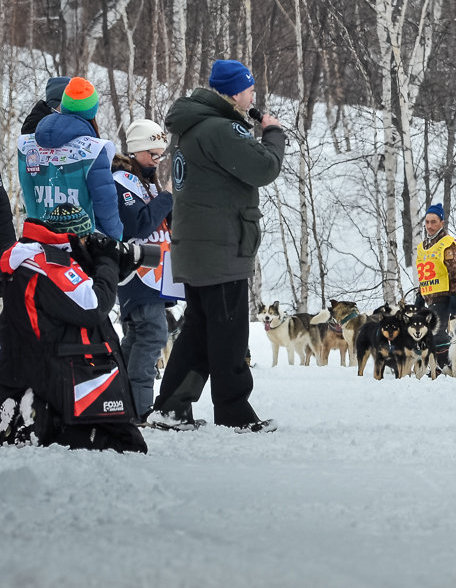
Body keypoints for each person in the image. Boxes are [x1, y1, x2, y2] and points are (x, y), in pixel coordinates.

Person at [150, 59, 283, 433]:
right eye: (249, 89)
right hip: (220, 247)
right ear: (234, 92)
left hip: (195, 248)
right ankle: (234, 413)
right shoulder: (220, 129)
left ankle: (171, 408)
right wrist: (272, 133)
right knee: (228, 335)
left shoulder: (192, 125)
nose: (253, 95)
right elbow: (263, 168)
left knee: (198, 333)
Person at [0, 206, 147, 453]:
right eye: (86, 239)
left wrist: (105, 267)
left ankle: (28, 417)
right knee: (128, 443)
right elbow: (94, 306)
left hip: (26, 367)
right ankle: (35, 424)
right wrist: (107, 262)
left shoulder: (27, 254)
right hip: (57, 371)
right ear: (75, 238)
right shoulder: (50, 263)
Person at [110, 119, 174, 421]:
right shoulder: (123, 180)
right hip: (138, 272)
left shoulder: (146, 180)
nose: (157, 161)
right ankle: (140, 409)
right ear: (136, 151)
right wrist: (167, 198)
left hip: (156, 273)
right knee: (152, 336)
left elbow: (161, 222)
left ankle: (117, 400)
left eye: (161, 154)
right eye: (153, 154)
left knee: (137, 338)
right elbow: (139, 224)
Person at [18, 76, 123, 240]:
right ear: (92, 111)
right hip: (79, 243)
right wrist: (116, 235)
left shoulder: (28, 144)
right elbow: (105, 204)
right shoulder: (94, 149)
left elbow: (27, 193)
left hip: (39, 240)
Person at [415, 203, 456, 374]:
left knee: (437, 332)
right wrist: (419, 294)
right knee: (427, 332)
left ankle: (447, 365)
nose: (430, 226)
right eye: (427, 222)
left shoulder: (447, 243)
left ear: (442, 222)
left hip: (444, 296)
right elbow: (423, 274)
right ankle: (438, 364)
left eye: (434, 222)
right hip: (428, 295)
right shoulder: (423, 247)